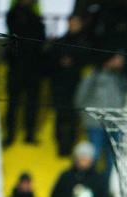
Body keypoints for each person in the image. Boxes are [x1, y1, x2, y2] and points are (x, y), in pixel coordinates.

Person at [74, 52, 127, 183]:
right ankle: (90, 184)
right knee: (94, 155)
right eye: (117, 59)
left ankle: (104, 187)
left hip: (114, 124)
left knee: (112, 157)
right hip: (95, 124)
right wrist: (85, 117)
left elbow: (124, 99)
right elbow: (79, 97)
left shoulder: (122, 79)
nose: (120, 62)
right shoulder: (93, 76)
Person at [4, 0, 46, 146]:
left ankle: (29, 134)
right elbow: (15, 33)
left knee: (32, 103)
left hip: (33, 68)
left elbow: (41, 39)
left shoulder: (36, 16)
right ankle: (9, 135)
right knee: (13, 103)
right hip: (16, 66)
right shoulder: (13, 14)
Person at [47, 14, 86, 157]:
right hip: (60, 86)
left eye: (76, 22)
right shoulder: (60, 42)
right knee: (60, 116)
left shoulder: (85, 42)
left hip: (76, 87)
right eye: (71, 22)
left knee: (73, 117)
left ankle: (69, 147)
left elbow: (85, 60)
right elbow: (51, 62)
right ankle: (60, 147)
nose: (73, 25)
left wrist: (73, 62)